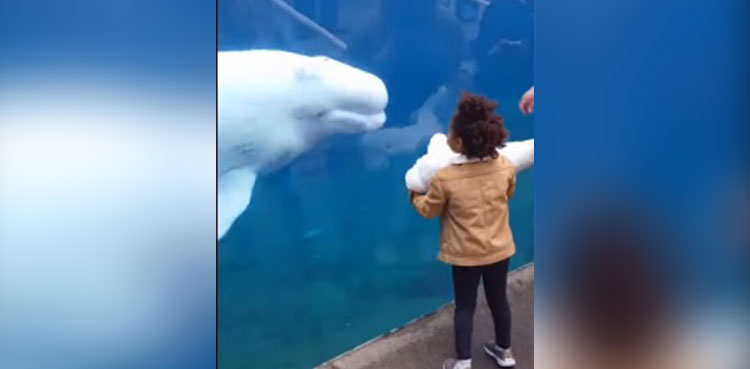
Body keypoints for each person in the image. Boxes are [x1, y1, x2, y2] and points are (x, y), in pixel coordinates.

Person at [410, 92, 517, 369]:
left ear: (458, 144)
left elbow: (428, 210)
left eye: (449, 132)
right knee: (498, 300)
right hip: (499, 249)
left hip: (465, 255)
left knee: (465, 306)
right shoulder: (504, 166)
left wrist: (414, 195)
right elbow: (508, 193)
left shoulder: (445, 179)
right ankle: (505, 353)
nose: (447, 135)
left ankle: (463, 362)